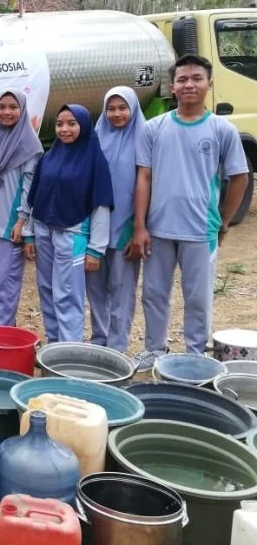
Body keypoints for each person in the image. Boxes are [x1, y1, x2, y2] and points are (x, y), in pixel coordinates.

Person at [131, 54, 249, 367]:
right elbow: (144, 177)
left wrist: (223, 221)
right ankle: (155, 350)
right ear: (173, 86)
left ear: (210, 83)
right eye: (182, 79)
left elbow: (239, 177)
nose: (189, 85)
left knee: (198, 297)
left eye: (197, 78)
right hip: (158, 228)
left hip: (200, 229)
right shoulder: (153, 128)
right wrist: (140, 225)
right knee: (154, 293)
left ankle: (195, 355)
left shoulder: (222, 130)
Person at [23, 105, 113, 343]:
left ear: (83, 126)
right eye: (59, 124)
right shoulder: (49, 157)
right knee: (47, 289)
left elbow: (101, 204)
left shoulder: (94, 160)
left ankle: (68, 349)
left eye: (72, 124)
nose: (64, 129)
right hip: (43, 231)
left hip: (72, 234)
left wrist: (96, 249)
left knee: (68, 294)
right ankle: (54, 344)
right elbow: (35, 198)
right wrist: (29, 234)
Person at [0, 91, 43, 326]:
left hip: (10, 222)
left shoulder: (29, 145)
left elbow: (30, 187)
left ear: (22, 110)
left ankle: (1, 331)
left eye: (13, 107)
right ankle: (4, 326)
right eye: (1, 107)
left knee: (6, 279)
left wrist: (22, 220)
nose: (6, 112)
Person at [87, 87, 145, 352]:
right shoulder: (96, 138)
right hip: (95, 227)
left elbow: (148, 184)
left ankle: (117, 346)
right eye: (111, 108)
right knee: (95, 287)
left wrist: (139, 228)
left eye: (123, 108)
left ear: (133, 108)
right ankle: (99, 340)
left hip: (126, 226)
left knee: (122, 289)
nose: (116, 114)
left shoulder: (144, 139)